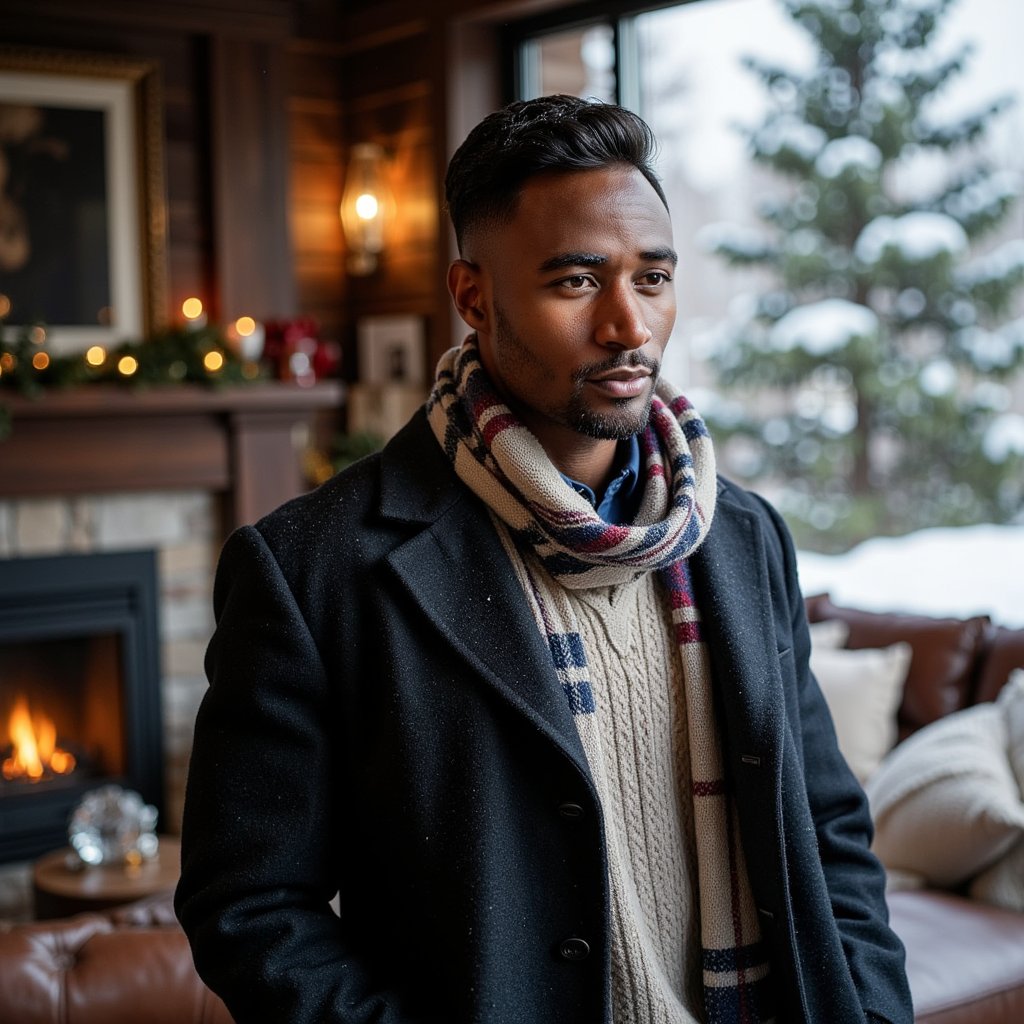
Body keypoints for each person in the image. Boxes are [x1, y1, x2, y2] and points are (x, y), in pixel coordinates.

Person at [175, 94, 913, 1024]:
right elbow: (247, 908)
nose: (628, 325)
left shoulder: (743, 535)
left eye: (652, 279)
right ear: (473, 296)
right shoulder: (313, 568)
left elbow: (829, 829)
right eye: (576, 282)